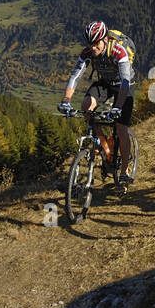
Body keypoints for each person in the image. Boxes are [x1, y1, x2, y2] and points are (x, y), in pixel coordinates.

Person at [60, 20, 136, 186]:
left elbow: (124, 81)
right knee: (86, 106)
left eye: (96, 44)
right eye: (90, 44)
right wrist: (66, 100)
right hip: (106, 83)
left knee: (121, 128)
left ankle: (124, 170)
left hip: (124, 87)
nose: (93, 48)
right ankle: (101, 144)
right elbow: (75, 77)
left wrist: (117, 107)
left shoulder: (118, 51)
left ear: (105, 40)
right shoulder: (87, 52)